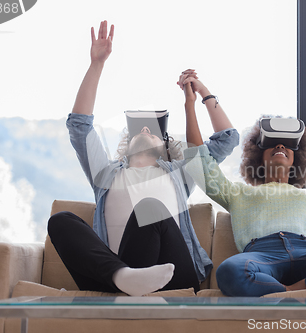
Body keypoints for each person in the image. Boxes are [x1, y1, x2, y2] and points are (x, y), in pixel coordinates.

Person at [48, 21, 239, 296]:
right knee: (61, 220)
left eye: (152, 131)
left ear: (166, 147)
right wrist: (96, 64)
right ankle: (123, 277)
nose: (145, 129)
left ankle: (132, 283)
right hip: (115, 275)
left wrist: (197, 95)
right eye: (138, 130)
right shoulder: (106, 174)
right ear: (125, 146)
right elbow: (80, 127)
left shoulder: (180, 174)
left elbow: (227, 138)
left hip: (174, 275)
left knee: (150, 207)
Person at [183, 93, 306, 297]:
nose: (280, 146)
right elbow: (199, 164)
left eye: (287, 144)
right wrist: (191, 103)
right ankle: (294, 293)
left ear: (296, 159)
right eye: (272, 143)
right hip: (261, 256)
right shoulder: (237, 193)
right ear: (258, 157)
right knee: (228, 272)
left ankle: (290, 292)